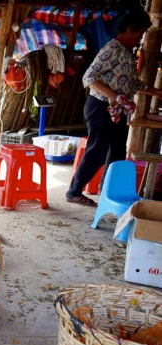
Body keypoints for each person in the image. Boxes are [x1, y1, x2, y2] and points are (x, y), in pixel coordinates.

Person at [66, 11, 162, 206]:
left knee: (117, 152)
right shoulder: (112, 49)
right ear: (128, 29)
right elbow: (89, 77)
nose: (140, 38)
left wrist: (155, 92)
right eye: (140, 33)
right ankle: (73, 191)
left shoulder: (127, 53)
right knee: (97, 150)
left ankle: (106, 192)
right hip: (100, 107)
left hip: (116, 111)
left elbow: (132, 83)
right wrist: (112, 95)